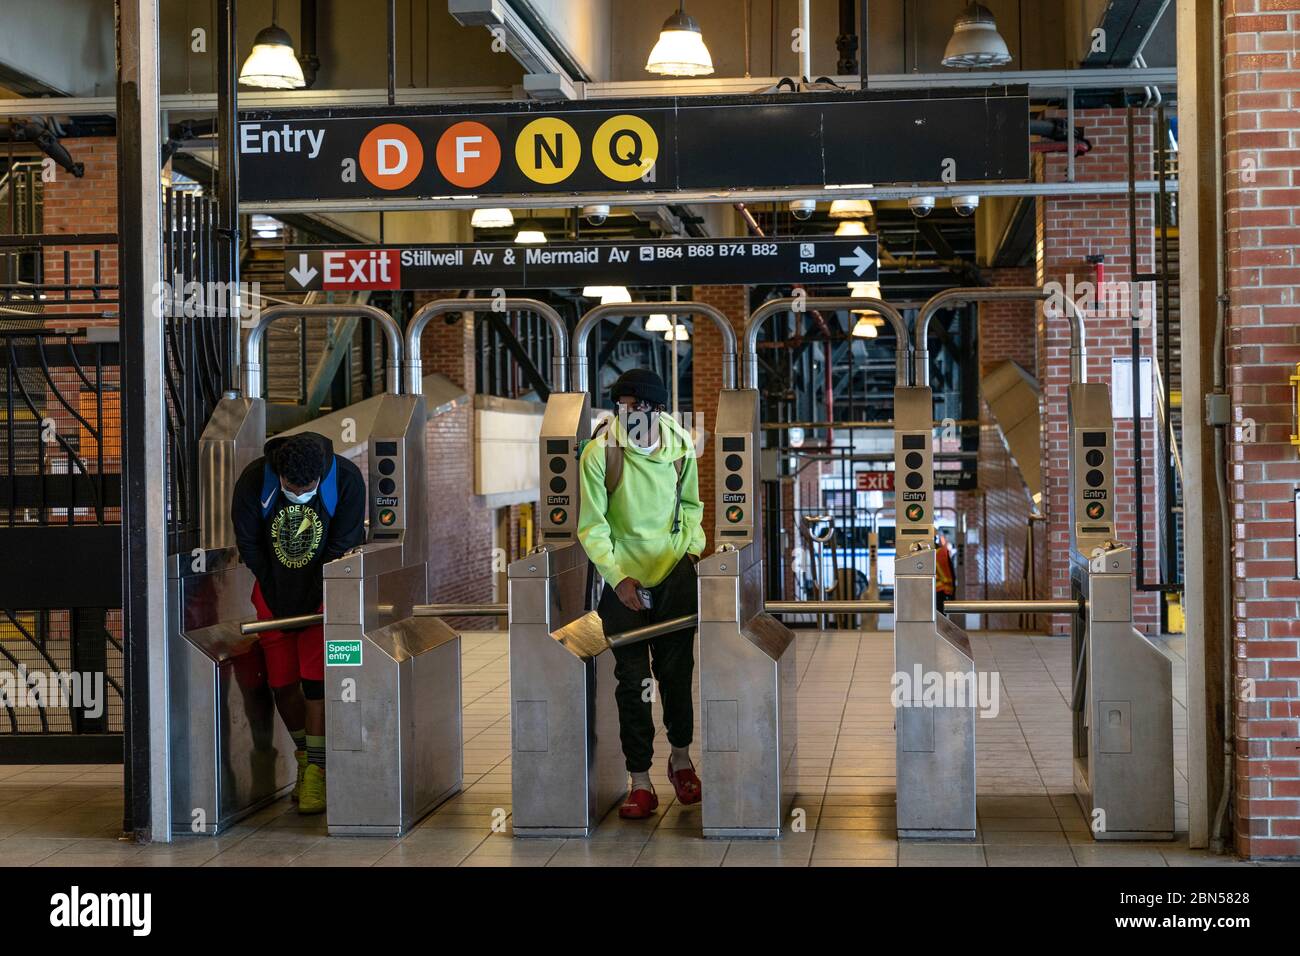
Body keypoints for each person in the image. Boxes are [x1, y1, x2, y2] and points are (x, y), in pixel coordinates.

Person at [577, 369, 705, 820]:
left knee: (675, 674)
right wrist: (617, 577)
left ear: (656, 409)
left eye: (635, 406)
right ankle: (640, 781)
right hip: (624, 581)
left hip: (673, 575)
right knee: (632, 683)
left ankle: (682, 759)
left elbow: (691, 505)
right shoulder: (599, 454)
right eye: (622, 406)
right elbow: (592, 525)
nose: (626, 413)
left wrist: (690, 553)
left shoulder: (681, 446)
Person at [231, 432, 365, 814]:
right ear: (280, 475)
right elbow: (250, 545)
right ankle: (305, 755)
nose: (300, 493)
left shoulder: (347, 479)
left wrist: (314, 602)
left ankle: (317, 773)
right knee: (282, 683)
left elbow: (343, 546)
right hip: (273, 599)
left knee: (316, 686)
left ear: (320, 477)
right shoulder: (255, 481)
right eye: (292, 488)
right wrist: (276, 595)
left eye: (308, 489)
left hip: (322, 602)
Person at [935, 529, 957, 613]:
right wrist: (953, 593)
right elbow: (951, 574)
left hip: (937, 590)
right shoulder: (943, 553)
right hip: (943, 590)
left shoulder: (935, 554)